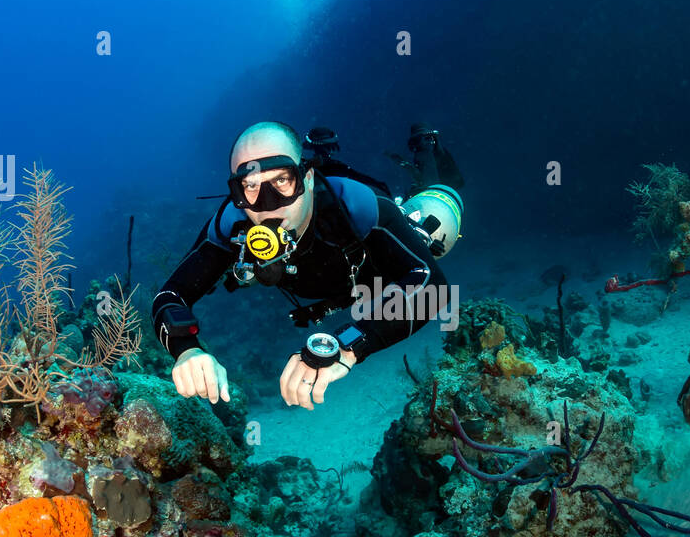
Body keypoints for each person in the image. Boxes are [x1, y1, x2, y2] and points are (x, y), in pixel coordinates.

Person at [152, 121, 464, 410]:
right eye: (251, 185)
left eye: (282, 180)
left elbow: (433, 288)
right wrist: (187, 349)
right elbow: (170, 296)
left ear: (307, 178)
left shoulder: (356, 206)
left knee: (439, 209)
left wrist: (348, 346)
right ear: (237, 192)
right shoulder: (232, 224)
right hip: (339, 286)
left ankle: (426, 151)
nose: (268, 204)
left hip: (377, 272)